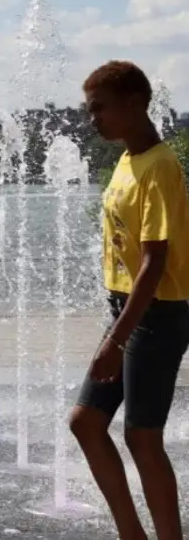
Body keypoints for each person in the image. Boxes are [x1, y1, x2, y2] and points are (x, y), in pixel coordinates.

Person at [70, 60, 189, 540]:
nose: (92, 119)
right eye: (89, 110)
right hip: (128, 309)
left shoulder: (160, 164)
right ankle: (131, 533)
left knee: (142, 436)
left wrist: (116, 341)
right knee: (85, 423)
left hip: (158, 313)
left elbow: (154, 263)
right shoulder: (126, 159)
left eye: (99, 108)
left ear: (134, 103)